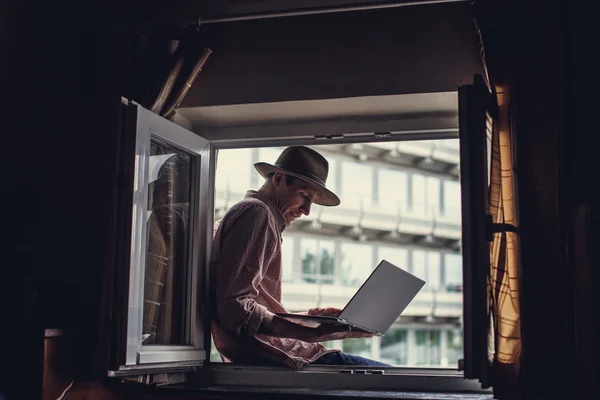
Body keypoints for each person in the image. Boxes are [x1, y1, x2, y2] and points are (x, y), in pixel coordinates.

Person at [210, 145, 390, 369]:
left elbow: (249, 305)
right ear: (278, 179)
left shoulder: (257, 216)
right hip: (280, 356)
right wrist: (307, 333)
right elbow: (234, 309)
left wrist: (305, 319)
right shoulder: (257, 214)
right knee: (400, 380)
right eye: (304, 196)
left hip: (280, 353)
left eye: (311, 202)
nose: (306, 211)